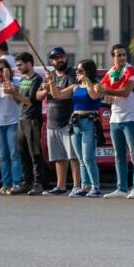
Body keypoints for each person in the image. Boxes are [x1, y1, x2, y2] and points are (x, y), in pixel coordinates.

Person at [48, 60, 105, 197]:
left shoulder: (96, 85)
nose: (77, 73)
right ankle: (84, 186)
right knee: (80, 158)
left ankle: (95, 186)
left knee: (88, 157)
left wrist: (88, 82)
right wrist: (50, 82)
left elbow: (94, 96)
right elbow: (58, 95)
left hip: (89, 123)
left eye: (80, 71)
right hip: (75, 123)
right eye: (77, 70)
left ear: (88, 72)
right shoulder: (75, 87)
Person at [101, 44, 134, 199]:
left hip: (130, 118)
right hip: (115, 119)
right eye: (118, 55)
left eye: (123, 54)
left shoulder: (131, 70)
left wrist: (105, 91)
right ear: (112, 57)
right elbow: (106, 98)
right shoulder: (110, 72)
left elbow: (126, 92)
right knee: (118, 156)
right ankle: (121, 188)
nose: (122, 57)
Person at [37, 47, 79, 196]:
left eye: (61, 57)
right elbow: (38, 95)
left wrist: (52, 86)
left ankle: (76, 186)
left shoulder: (72, 73)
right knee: (58, 157)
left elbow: (65, 94)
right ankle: (61, 186)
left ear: (66, 57)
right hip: (52, 121)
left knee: (73, 156)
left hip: (68, 120)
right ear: (51, 61)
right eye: (55, 58)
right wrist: (45, 88)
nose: (59, 60)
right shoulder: (50, 75)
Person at [12, 52, 45, 195]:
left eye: (20, 65)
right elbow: (19, 101)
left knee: (35, 154)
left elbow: (30, 100)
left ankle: (38, 183)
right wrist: (13, 93)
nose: (18, 68)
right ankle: (27, 182)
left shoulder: (37, 79)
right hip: (21, 119)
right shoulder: (22, 80)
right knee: (23, 153)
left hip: (33, 120)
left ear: (28, 63)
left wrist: (14, 92)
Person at [0, 59, 24, 194]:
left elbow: (14, 96)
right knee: (3, 155)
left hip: (13, 122)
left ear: (8, 69)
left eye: (1, 69)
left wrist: (7, 78)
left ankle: (16, 183)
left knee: (14, 154)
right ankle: (5, 184)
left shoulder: (15, 81)